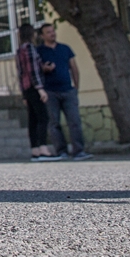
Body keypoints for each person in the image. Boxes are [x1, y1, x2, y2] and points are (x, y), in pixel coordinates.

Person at [37, 23, 92, 161]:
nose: (52, 34)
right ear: (42, 36)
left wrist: (76, 87)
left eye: (53, 31)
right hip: (50, 91)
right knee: (54, 123)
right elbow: (37, 70)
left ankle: (79, 151)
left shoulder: (65, 48)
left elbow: (73, 67)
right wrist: (44, 69)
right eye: (48, 32)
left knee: (74, 121)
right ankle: (61, 151)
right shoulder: (40, 51)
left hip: (68, 90)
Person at [16, 24, 59, 161]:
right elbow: (32, 70)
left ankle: (35, 149)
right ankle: (43, 148)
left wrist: (24, 93)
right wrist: (40, 89)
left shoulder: (19, 50)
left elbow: (21, 72)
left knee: (32, 119)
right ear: (31, 34)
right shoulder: (29, 48)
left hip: (27, 88)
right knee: (43, 118)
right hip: (34, 87)